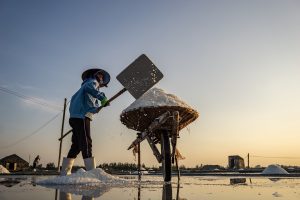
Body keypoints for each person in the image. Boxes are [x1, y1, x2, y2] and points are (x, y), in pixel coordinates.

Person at [60, 68, 110, 176]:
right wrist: (102, 97)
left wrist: (99, 106)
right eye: (101, 76)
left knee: (76, 145)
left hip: (75, 117)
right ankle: (92, 173)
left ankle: (64, 173)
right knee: (87, 143)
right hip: (82, 117)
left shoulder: (85, 88)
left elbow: (91, 106)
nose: (101, 80)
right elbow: (91, 90)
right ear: (96, 75)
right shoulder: (91, 83)